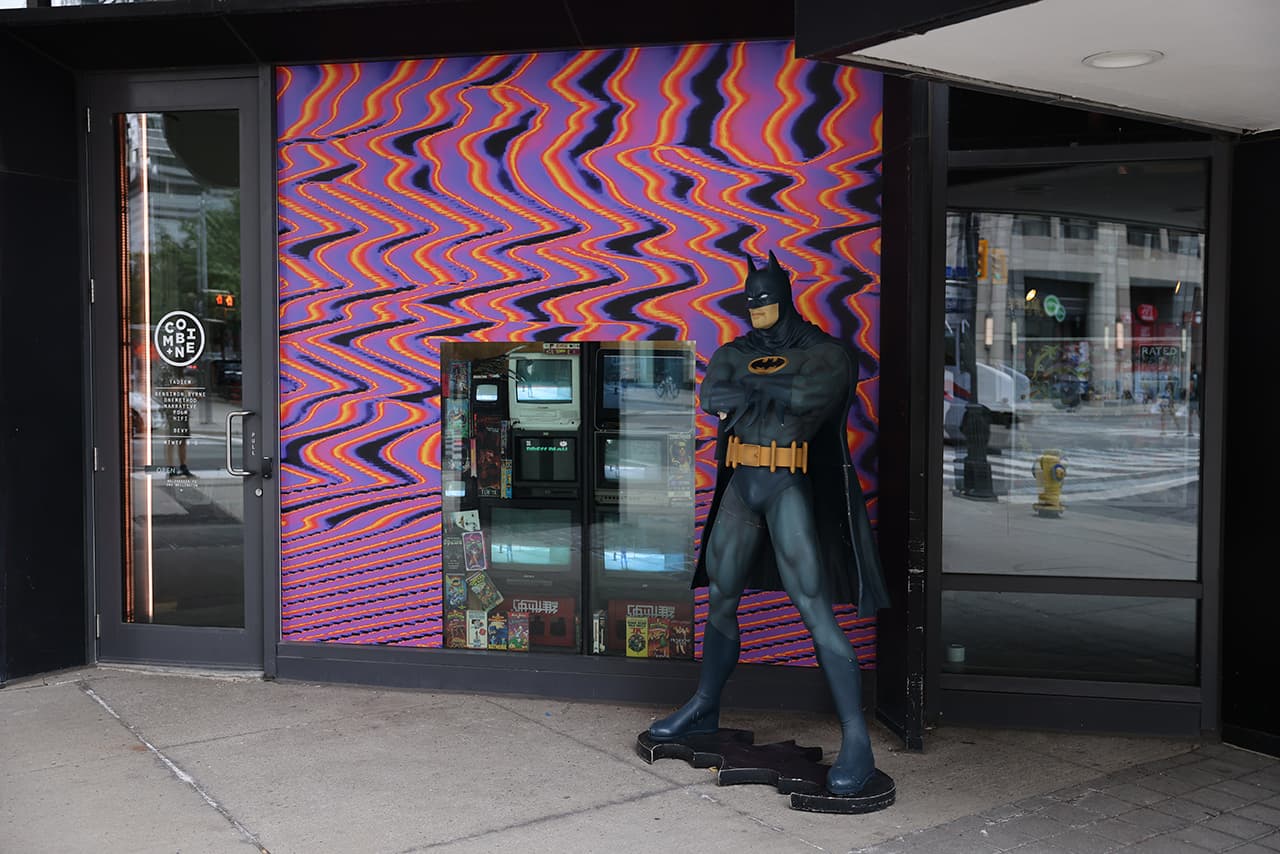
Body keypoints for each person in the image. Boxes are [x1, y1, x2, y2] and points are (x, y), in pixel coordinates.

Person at [646, 251, 890, 796]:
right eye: (749, 298)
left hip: (787, 484)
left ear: (784, 295)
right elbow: (713, 394)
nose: (755, 305)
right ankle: (704, 707)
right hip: (743, 484)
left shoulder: (826, 352)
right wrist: (773, 387)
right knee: (721, 596)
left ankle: (857, 739)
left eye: (764, 296)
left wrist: (754, 390)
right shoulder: (736, 351)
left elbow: (811, 396)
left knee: (813, 607)